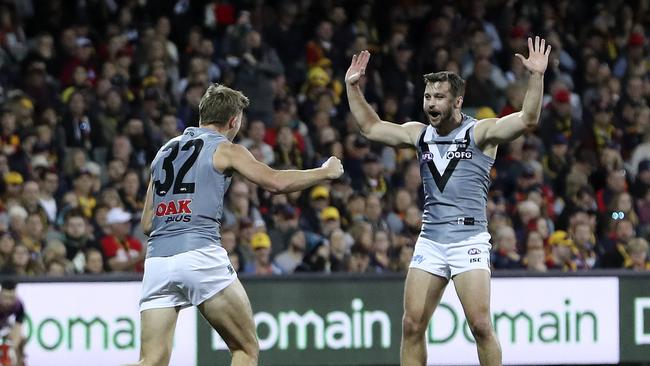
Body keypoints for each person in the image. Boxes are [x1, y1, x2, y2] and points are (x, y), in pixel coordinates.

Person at [345, 36, 551, 366]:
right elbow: (370, 128)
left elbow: (527, 119)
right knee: (411, 325)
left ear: (457, 102)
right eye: (428, 96)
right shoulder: (419, 133)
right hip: (430, 240)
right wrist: (353, 87)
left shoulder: (480, 133)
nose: (431, 103)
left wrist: (536, 76)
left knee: (481, 326)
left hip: (468, 239)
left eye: (439, 97)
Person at [134, 84, 343, 366]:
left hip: (158, 262)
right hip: (200, 255)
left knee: (152, 361)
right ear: (234, 120)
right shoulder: (225, 149)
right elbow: (276, 182)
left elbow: (148, 222)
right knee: (245, 349)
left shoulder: (163, 152)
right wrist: (324, 172)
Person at [0, 281, 25, 366]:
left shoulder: (19, 305)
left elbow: (18, 328)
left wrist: (12, 348)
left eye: (11, 298)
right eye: (5, 297)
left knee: (21, 339)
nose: (8, 302)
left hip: (3, 325)